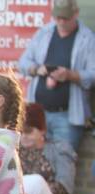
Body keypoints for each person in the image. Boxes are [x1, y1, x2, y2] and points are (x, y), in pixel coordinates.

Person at [18, 0, 95, 151]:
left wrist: (70, 75)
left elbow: (93, 74)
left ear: (76, 14)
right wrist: (36, 69)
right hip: (38, 112)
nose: (61, 21)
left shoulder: (88, 39)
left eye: (65, 18)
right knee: (32, 160)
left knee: (62, 161)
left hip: (67, 115)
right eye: (57, 17)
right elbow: (23, 63)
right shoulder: (44, 32)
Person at [19, 102, 77, 194]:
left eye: (29, 131)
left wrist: (35, 191)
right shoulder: (15, 151)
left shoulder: (59, 150)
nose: (24, 137)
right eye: (20, 132)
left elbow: (65, 187)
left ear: (42, 130)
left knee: (36, 182)